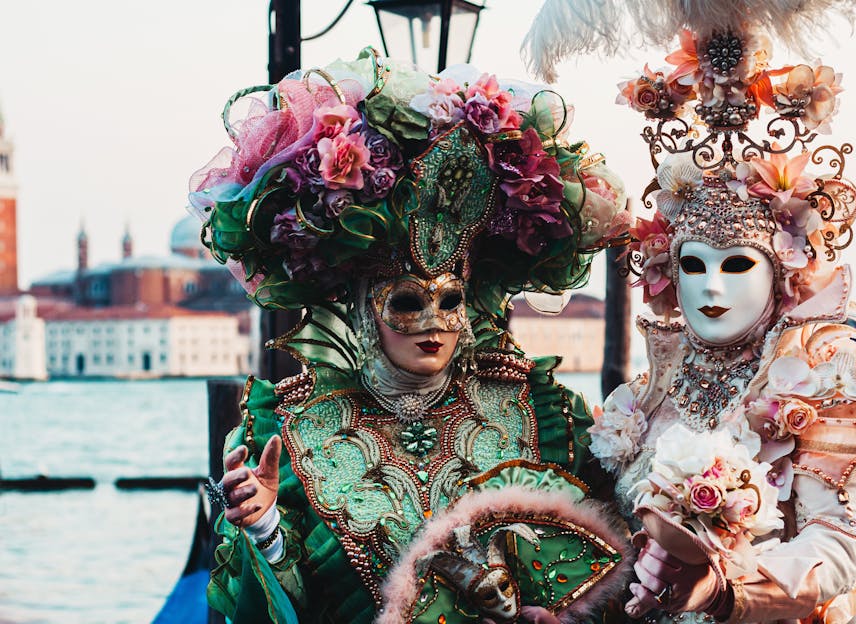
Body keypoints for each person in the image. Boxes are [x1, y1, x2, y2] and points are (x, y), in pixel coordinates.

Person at [188, 49, 632, 624]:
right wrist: (268, 528)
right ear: (362, 306)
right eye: (405, 301)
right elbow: (272, 610)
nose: (433, 322)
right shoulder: (291, 432)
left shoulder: (540, 411)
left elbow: (609, 575)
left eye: (449, 301)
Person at [565, 21, 856, 624]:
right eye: (693, 264)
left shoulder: (823, 373)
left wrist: (721, 594)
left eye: (738, 264)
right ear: (668, 269)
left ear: (781, 273)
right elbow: (610, 544)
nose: (711, 286)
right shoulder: (646, 395)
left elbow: (835, 549)